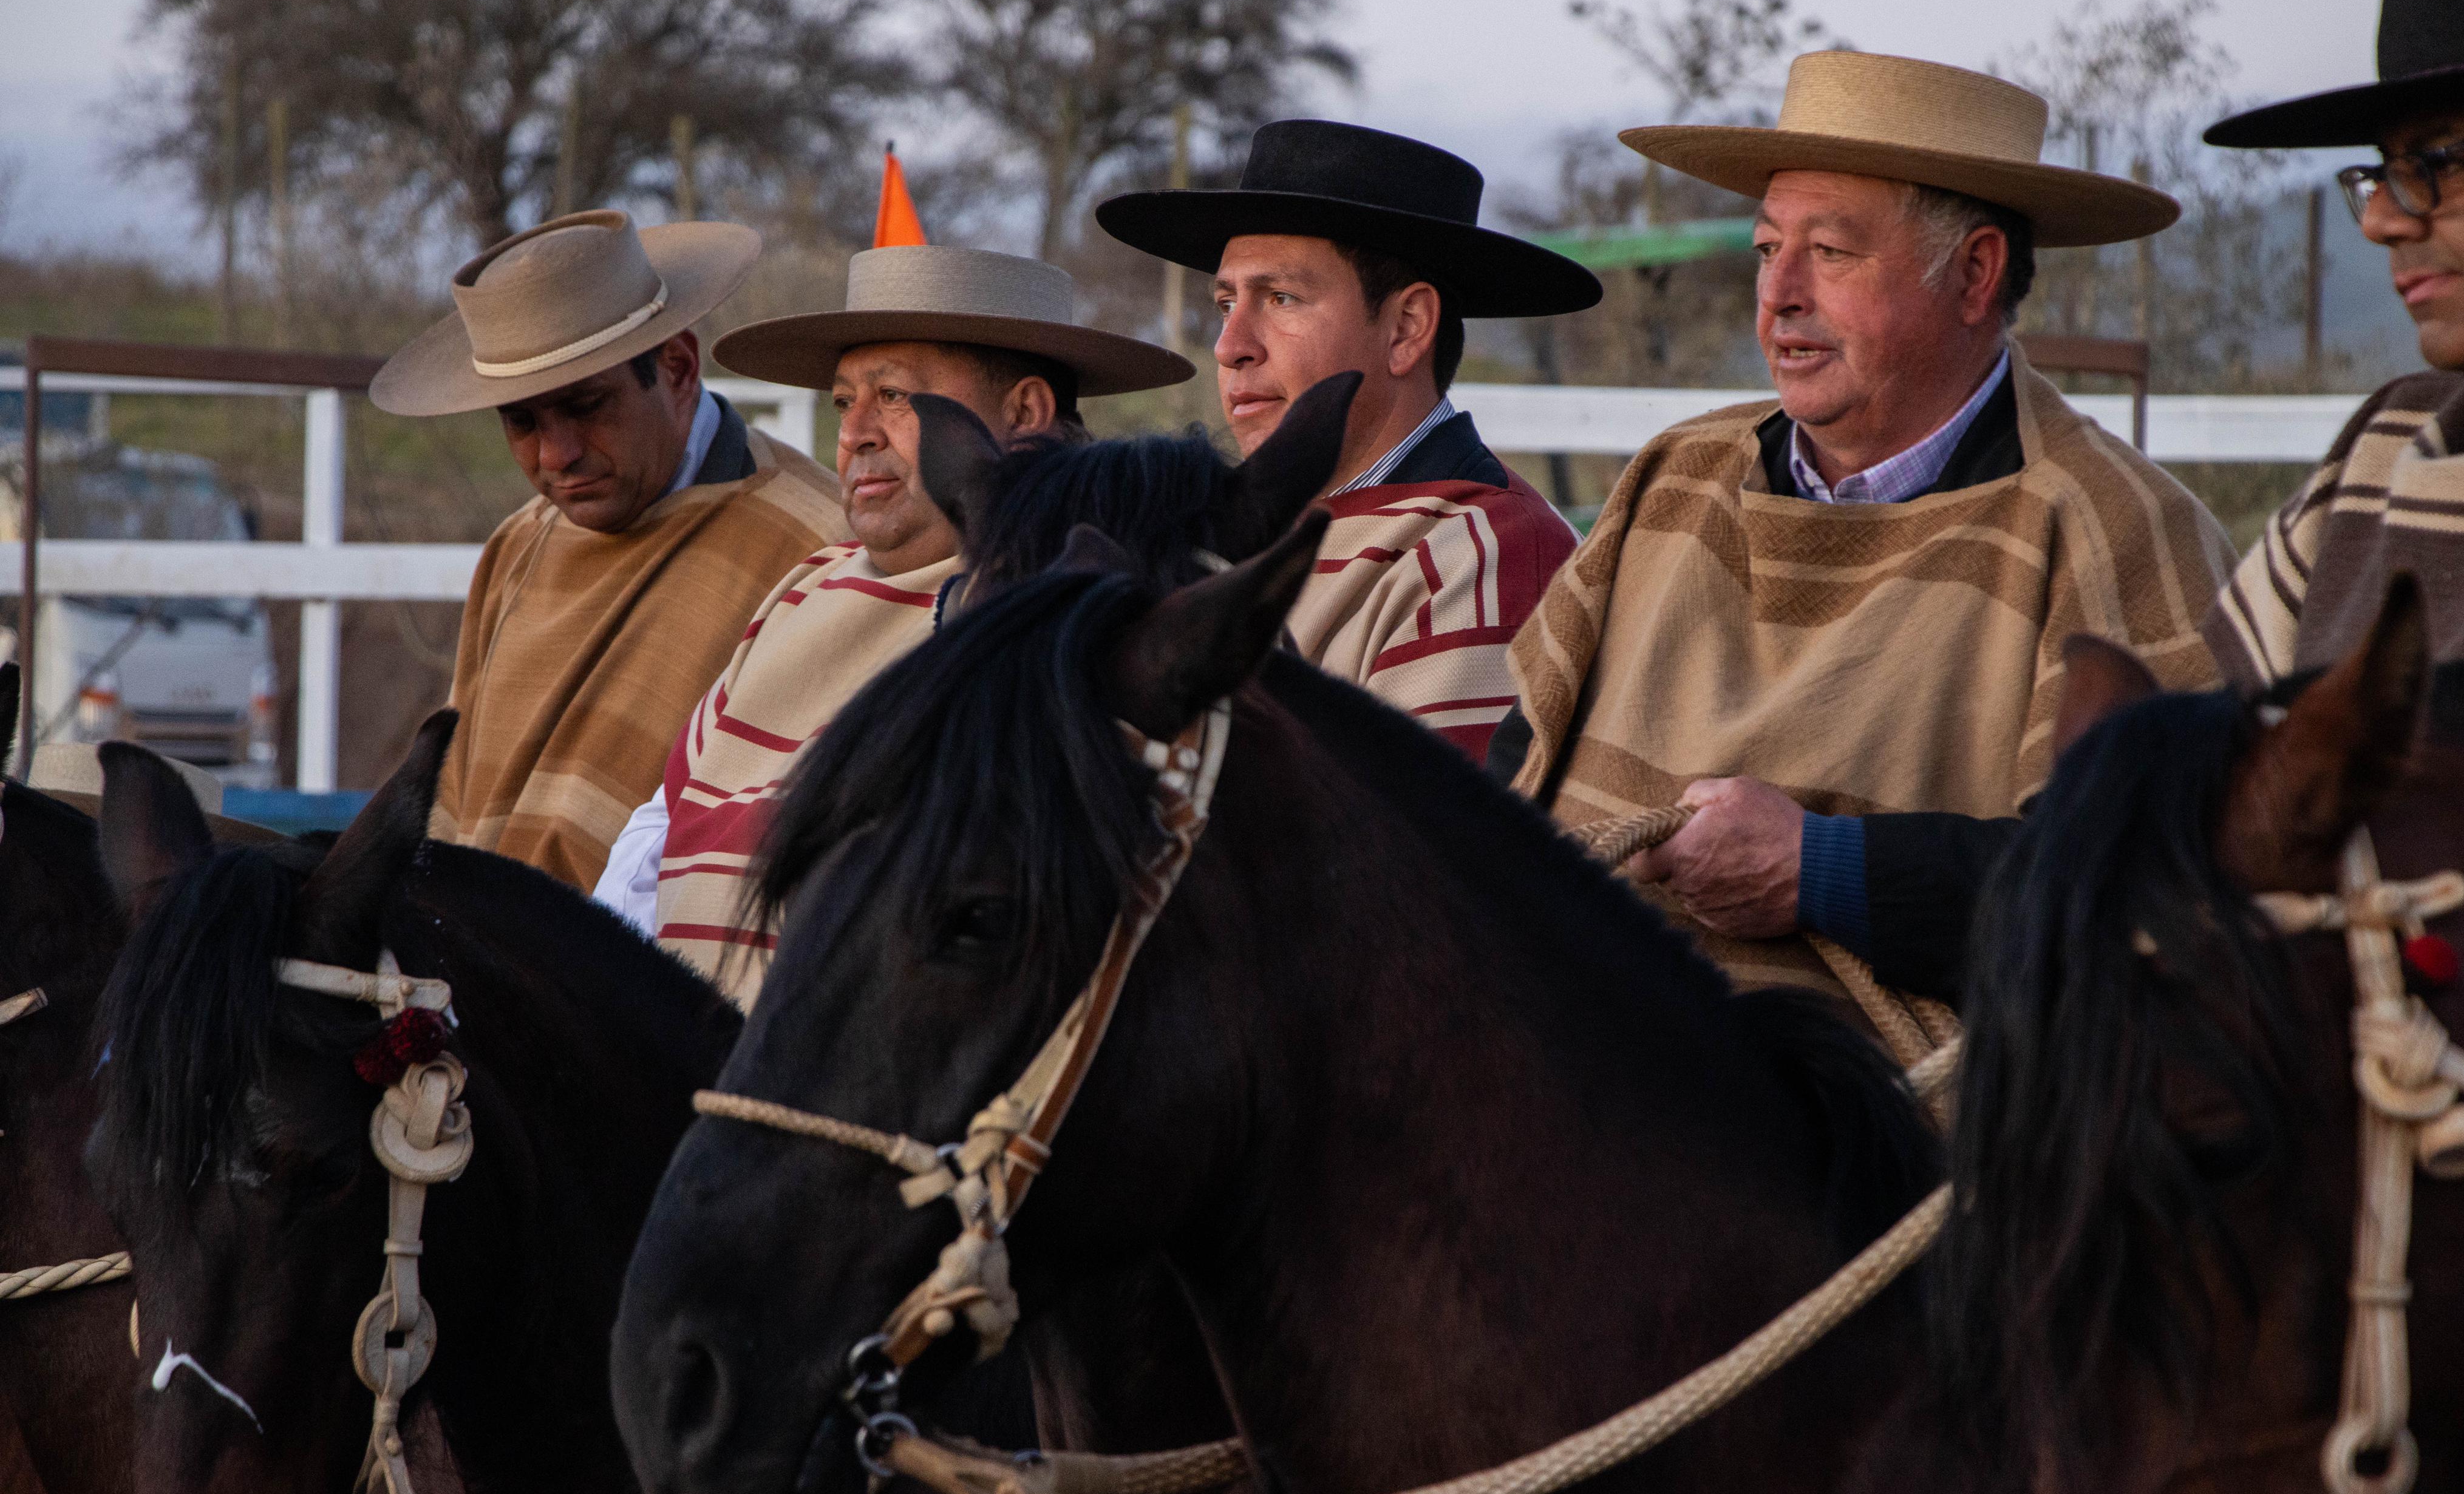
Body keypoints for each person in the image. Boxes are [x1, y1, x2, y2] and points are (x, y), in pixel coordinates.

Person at [1494, 51, 2234, 998]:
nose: (1780, 293)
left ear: (1974, 274)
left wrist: (1826, 871)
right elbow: (1525, 764)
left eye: (1831, 253)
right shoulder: (1676, 477)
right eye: (1768, 250)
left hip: (1881, 1124)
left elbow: (2150, 893)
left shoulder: (2116, 533)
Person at [590, 245, 1193, 1004]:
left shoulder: (1092, 620)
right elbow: (655, 839)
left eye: (897, 398)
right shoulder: (804, 591)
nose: (856, 434)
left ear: (1026, 413)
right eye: (845, 403)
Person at [370, 210, 848, 892]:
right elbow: (452, 800)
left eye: (588, 405)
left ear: (678, 369)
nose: (555, 455)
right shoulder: (518, 546)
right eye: (522, 422)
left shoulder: (817, 547)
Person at [1097, 119, 1601, 758]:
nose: (1229, 347)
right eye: (1227, 304)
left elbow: (1427, 847)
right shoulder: (1210, 535)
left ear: (1406, 329)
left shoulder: (1480, 556)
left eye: (1280, 298)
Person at [2204, 0, 2464, 679]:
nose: (2379, 220)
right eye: (2382, 172)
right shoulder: (2382, 448)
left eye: (2438, 161)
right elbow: (2220, 762)